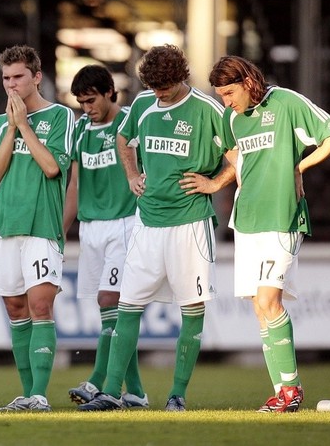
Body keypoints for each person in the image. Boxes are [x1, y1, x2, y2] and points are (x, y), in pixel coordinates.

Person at [79, 44, 234, 412]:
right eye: (154, 87)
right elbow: (122, 137)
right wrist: (132, 174)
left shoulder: (208, 109)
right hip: (147, 224)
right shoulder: (145, 105)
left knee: (192, 308)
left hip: (190, 224)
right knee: (128, 305)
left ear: (181, 76)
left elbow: (237, 153)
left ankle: (177, 394)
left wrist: (215, 183)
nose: (160, 93)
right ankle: (112, 393)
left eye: (166, 86)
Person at [209, 56, 330, 413]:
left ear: (248, 81)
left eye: (229, 92)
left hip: (282, 217)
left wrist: (298, 167)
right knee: (259, 307)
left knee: (270, 302)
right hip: (247, 219)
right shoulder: (231, 117)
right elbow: (232, 151)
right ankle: (282, 392)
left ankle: (291, 391)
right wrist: (233, 177)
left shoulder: (285, 101)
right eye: (220, 95)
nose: (226, 101)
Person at [0, 45, 74, 412]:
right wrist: (10, 130)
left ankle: (39, 394)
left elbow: (52, 168)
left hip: (41, 225)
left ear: (36, 77)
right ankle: (27, 394)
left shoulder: (61, 116)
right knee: (16, 309)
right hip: (5, 224)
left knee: (40, 306)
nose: (11, 84)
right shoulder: (0, 123)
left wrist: (23, 126)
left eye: (18, 76)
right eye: (6, 78)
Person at [64, 64, 148, 409]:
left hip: (125, 222)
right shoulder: (81, 129)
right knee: (110, 311)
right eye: (82, 102)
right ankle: (137, 392)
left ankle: (97, 380)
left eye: (91, 100)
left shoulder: (131, 122)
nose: (87, 108)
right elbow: (73, 183)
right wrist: (61, 229)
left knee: (109, 301)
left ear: (110, 92)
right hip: (91, 226)